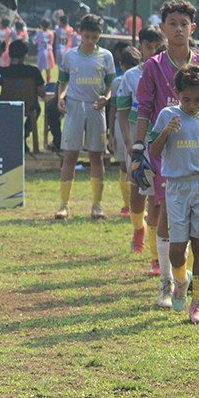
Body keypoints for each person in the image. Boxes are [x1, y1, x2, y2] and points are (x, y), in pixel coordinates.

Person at [132, 0, 199, 309]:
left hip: (196, 158)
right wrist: (139, 149)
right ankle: (166, 282)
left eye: (184, 23)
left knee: (197, 231)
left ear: (192, 29)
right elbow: (143, 108)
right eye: (172, 23)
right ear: (163, 28)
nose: (178, 29)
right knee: (165, 218)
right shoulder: (153, 66)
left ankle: (185, 281)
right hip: (162, 153)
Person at [148, 63, 199, 325]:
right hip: (177, 187)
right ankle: (181, 280)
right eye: (186, 99)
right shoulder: (167, 115)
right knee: (177, 250)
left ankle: (198, 303)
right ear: (177, 93)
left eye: (198, 99)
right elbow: (154, 151)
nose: (192, 104)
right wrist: (166, 131)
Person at [54, 14, 115, 220]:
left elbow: (109, 86)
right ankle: (64, 204)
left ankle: (97, 205)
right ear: (80, 33)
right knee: (70, 155)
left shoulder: (106, 56)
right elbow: (62, 83)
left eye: (95, 37)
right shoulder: (70, 56)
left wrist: (106, 98)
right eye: (87, 36)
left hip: (96, 109)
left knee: (96, 156)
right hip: (74, 107)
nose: (90, 41)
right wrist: (61, 98)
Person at [116, 28, 166, 267]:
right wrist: (128, 142)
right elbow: (123, 113)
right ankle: (139, 228)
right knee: (137, 196)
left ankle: (156, 258)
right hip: (138, 140)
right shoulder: (131, 76)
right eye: (149, 46)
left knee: (156, 199)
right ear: (141, 47)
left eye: (158, 45)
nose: (154, 50)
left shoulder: (169, 73)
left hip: (162, 140)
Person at [110, 46, 141, 219]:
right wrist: (110, 132)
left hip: (136, 126)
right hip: (122, 126)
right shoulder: (117, 82)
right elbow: (114, 107)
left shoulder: (142, 77)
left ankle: (133, 203)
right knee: (124, 164)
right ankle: (127, 203)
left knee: (131, 166)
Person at [0, 40, 46, 144]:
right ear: (25, 55)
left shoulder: (3, 71)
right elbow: (42, 93)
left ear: (9, 54)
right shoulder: (34, 71)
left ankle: (14, 136)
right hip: (29, 106)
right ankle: (24, 134)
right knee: (37, 109)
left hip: (7, 106)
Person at [33, 19, 55, 83]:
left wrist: (37, 33)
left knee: (40, 69)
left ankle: (38, 82)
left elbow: (34, 41)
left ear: (41, 25)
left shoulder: (39, 33)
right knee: (48, 70)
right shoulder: (51, 33)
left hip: (41, 52)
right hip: (49, 52)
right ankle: (48, 82)